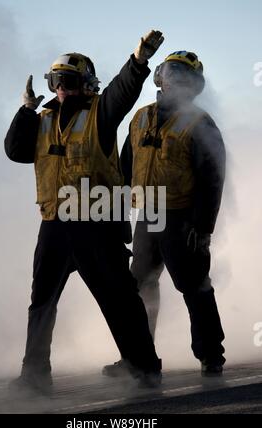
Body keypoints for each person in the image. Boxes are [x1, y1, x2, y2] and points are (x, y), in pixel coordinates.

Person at [4, 31, 165, 395]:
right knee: (42, 300)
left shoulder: (100, 115)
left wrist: (137, 63)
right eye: (55, 81)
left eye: (69, 81)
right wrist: (26, 110)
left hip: (96, 224)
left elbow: (122, 93)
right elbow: (15, 151)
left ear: (87, 84)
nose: (61, 89)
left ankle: (144, 367)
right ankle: (34, 374)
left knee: (119, 300)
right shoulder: (42, 119)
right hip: (55, 224)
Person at [103, 50, 226, 378]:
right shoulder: (140, 117)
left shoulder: (201, 124)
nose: (175, 80)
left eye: (184, 76)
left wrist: (202, 228)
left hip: (182, 218)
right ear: (160, 77)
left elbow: (212, 180)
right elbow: (124, 169)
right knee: (139, 285)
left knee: (194, 285)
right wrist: (118, 216)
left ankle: (211, 354)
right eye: (171, 73)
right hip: (147, 216)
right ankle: (138, 357)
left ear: (194, 86)